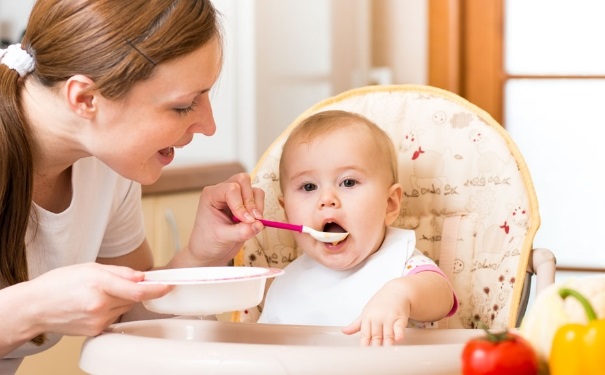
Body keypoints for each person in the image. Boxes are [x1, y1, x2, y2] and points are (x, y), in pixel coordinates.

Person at [0, 0, 265, 372]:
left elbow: (133, 316)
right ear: (86, 99)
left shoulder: (107, 164)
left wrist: (201, 256)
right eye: (183, 105)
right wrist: (33, 307)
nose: (208, 126)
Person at [258, 110, 458, 346]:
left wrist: (401, 294)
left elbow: (442, 297)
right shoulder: (285, 284)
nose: (327, 199)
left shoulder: (402, 265)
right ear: (287, 212)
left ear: (390, 204)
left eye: (348, 182)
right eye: (309, 186)